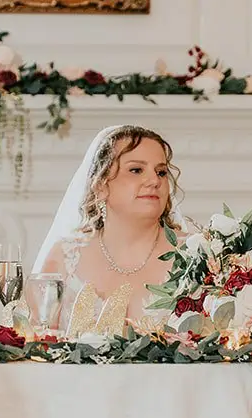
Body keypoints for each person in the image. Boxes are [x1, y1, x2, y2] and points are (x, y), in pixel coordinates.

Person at [33, 124, 186, 335]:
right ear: (101, 185)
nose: (154, 181)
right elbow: (36, 344)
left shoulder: (196, 255)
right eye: (136, 170)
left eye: (161, 172)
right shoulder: (64, 258)